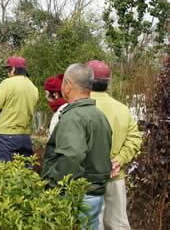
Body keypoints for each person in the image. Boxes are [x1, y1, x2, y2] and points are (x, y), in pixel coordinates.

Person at [41, 63, 112, 230]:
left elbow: (71, 156)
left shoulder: (73, 117)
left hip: (78, 194)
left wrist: (54, 187)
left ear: (68, 85)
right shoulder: (99, 115)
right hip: (96, 192)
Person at [85, 60, 142, 230]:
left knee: (93, 224)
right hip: (116, 177)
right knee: (119, 225)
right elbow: (135, 139)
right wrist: (118, 160)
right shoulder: (122, 109)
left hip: (88, 178)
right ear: (107, 83)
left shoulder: (77, 108)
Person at [0, 57, 38, 163]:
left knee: (4, 171)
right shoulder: (33, 87)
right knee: (24, 171)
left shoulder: (8, 83)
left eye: (8, 70)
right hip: (25, 136)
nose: (8, 73)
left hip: (8, 135)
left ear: (13, 69)